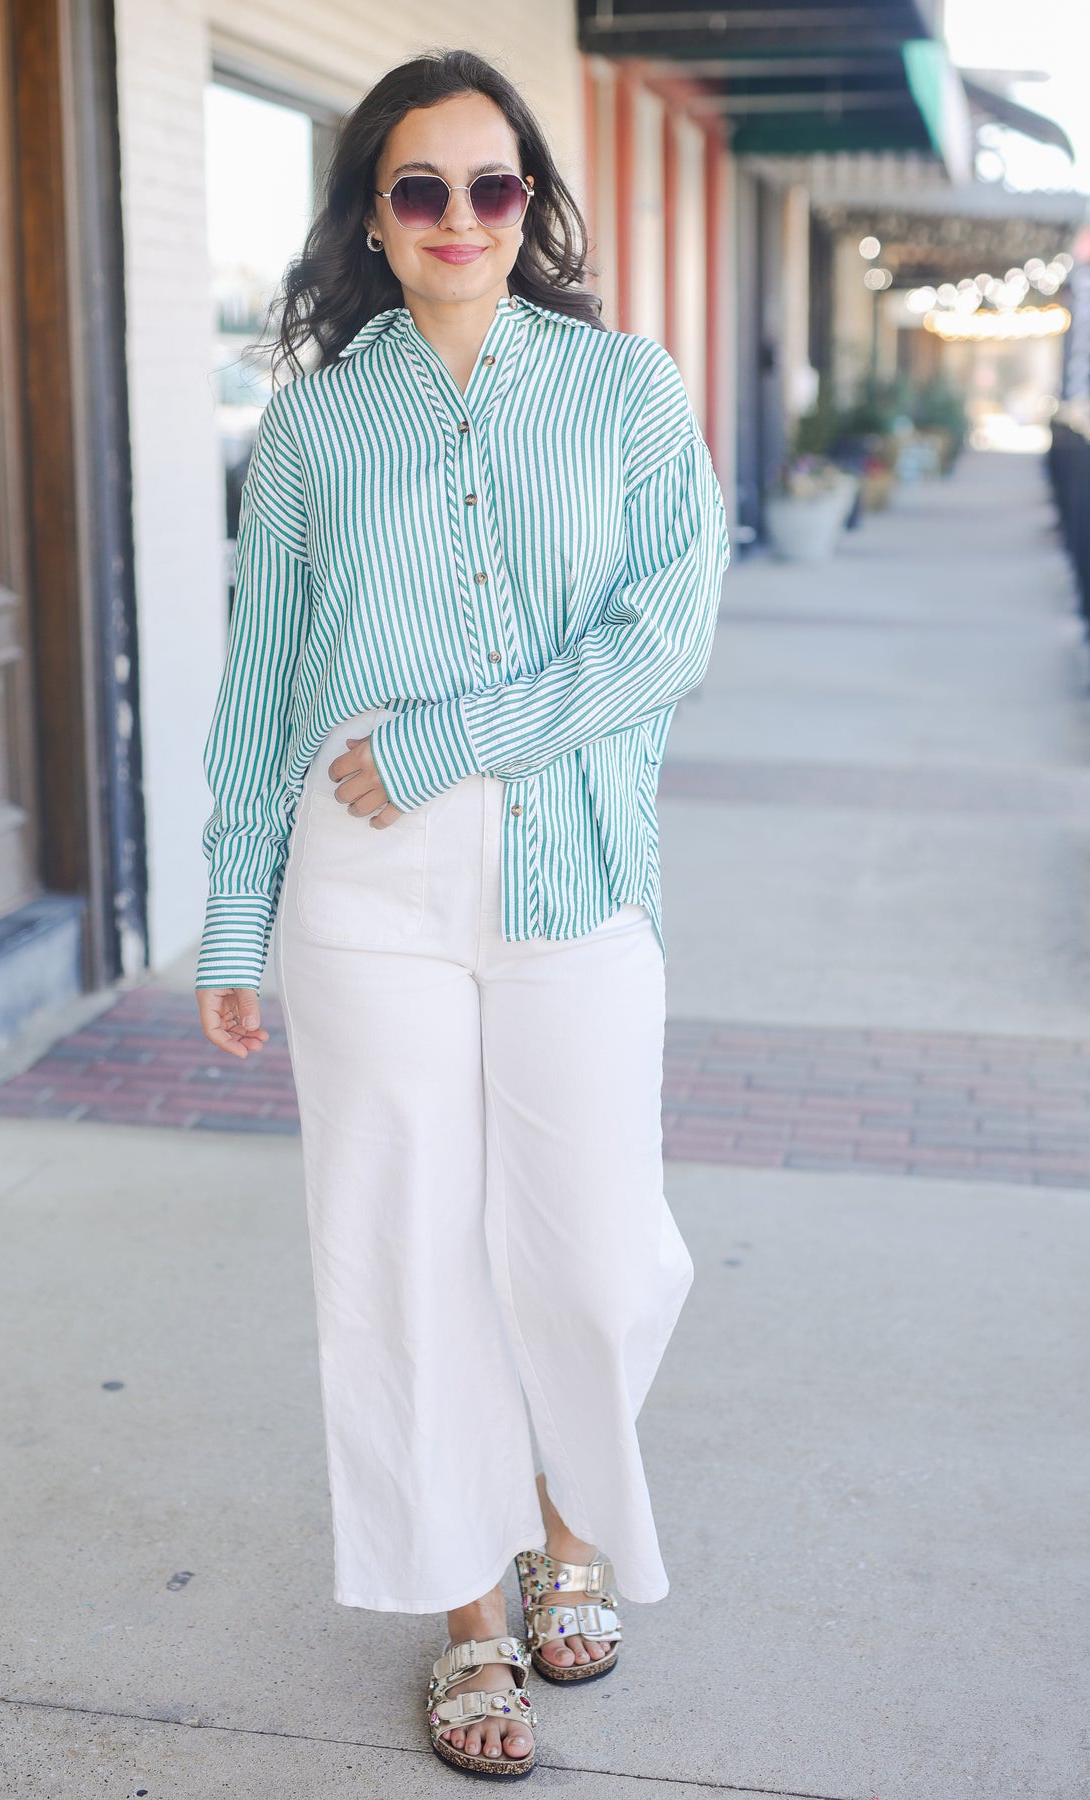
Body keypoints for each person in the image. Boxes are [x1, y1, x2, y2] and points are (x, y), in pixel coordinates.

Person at [194, 47, 730, 1781]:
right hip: (363, 891)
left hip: (569, 861)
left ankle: (572, 1527)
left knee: (592, 1249)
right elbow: (265, 676)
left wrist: (455, 738)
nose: (456, 220)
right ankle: (471, 1616)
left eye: (489, 188)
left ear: (530, 206)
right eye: (417, 190)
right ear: (372, 211)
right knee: (405, 1248)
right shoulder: (317, 423)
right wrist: (228, 917)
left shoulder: (629, 389)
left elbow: (670, 634)